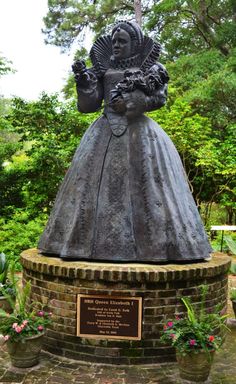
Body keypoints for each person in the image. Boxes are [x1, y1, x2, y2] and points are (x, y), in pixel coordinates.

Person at [38, 21, 211, 262]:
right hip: (103, 131)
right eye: (114, 40)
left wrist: (134, 103)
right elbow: (89, 105)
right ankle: (83, 245)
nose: (116, 45)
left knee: (149, 189)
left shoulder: (151, 68)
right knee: (89, 190)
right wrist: (85, 84)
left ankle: (158, 248)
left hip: (140, 134)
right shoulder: (102, 68)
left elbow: (159, 98)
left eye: (122, 41)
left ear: (135, 45)